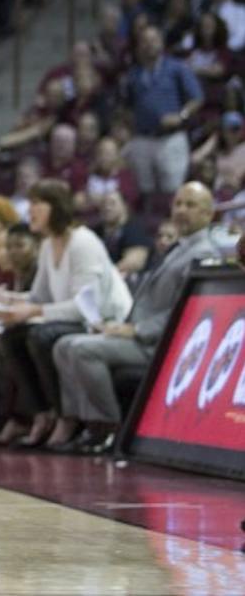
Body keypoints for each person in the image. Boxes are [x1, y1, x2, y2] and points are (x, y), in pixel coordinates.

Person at [48, 182, 222, 453]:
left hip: (158, 342)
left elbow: (187, 312)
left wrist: (136, 329)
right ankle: (81, 423)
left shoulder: (203, 253)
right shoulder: (178, 248)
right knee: (63, 345)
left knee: (82, 350)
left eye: (190, 205)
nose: (181, 210)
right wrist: (118, 326)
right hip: (138, 333)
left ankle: (110, 427)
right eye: (178, 204)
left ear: (208, 213)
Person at [0, 180, 131, 448]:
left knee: (41, 336)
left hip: (104, 322)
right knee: (12, 336)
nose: (30, 211)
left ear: (57, 207)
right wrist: (4, 299)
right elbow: (39, 298)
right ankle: (42, 413)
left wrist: (33, 310)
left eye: (37, 204)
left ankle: (66, 417)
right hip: (72, 320)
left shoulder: (83, 243)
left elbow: (85, 306)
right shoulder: (49, 245)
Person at [123, 24, 202, 196]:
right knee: (144, 193)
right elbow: (127, 106)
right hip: (142, 138)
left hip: (171, 138)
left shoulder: (176, 68)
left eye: (153, 40)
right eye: (145, 41)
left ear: (161, 43)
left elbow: (197, 98)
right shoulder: (133, 74)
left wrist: (182, 116)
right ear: (139, 46)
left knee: (173, 191)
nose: (149, 44)